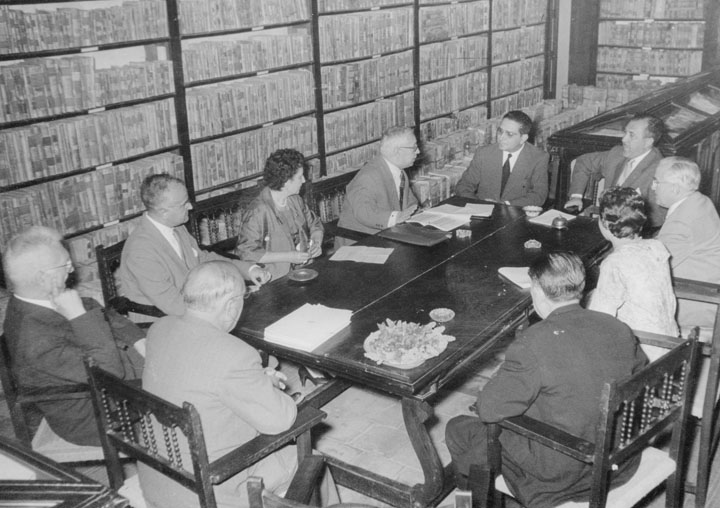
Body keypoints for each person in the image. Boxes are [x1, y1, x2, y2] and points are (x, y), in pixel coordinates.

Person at [445, 252, 647, 507]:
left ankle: (470, 503)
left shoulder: (533, 342)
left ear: (538, 290)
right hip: (620, 460)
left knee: (460, 430)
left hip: (563, 475)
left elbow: (488, 409)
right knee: (482, 446)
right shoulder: (617, 327)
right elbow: (637, 379)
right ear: (580, 287)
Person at [138, 260, 299, 508]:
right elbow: (281, 420)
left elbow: (199, 376)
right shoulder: (235, 354)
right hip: (209, 491)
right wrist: (270, 389)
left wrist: (255, 381)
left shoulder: (159, 328)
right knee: (308, 458)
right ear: (231, 305)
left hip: (158, 480)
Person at [3, 226, 144, 446]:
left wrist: (138, 339)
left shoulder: (40, 296)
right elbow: (108, 373)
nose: (71, 270)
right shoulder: (33, 340)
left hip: (123, 374)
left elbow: (99, 310)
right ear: (43, 277)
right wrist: (78, 315)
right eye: (65, 265)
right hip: (98, 413)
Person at [118, 174, 271, 317]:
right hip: (163, 321)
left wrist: (249, 269)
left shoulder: (176, 227)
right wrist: (221, 308)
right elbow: (172, 304)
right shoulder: (140, 251)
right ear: (163, 211)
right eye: (184, 204)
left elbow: (204, 259)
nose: (190, 207)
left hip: (194, 307)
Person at [587, 187, 678, 360]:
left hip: (644, 350)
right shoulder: (656, 246)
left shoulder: (614, 263)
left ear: (605, 224)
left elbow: (600, 319)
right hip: (671, 342)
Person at [654, 156, 720, 332]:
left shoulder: (682, 221)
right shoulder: (700, 201)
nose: (653, 187)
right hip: (707, 291)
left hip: (697, 303)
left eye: (656, 181)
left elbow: (652, 266)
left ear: (675, 188)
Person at [234, 149, 324, 279]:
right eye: (300, 177)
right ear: (286, 182)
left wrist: (316, 242)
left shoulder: (295, 200)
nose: (304, 180)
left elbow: (315, 224)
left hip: (304, 270)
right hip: (274, 278)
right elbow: (246, 252)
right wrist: (289, 256)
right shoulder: (258, 212)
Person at [563, 113, 666, 227]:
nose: (623, 139)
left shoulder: (660, 171)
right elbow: (584, 161)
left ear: (648, 142)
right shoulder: (617, 153)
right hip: (604, 226)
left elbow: (657, 220)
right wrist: (576, 197)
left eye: (631, 135)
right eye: (625, 133)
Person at [454, 110, 548, 206]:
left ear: (523, 138)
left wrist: (505, 204)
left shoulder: (538, 158)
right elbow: (463, 186)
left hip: (515, 212)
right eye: (500, 131)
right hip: (482, 211)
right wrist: (480, 204)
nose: (501, 137)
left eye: (509, 134)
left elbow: (538, 195)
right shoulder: (484, 153)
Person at [337, 126, 419, 235]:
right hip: (362, 240)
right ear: (397, 151)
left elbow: (410, 203)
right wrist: (396, 218)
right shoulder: (368, 177)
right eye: (414, 147)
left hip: (389, 233)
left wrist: (418, 212)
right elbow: (364, 213)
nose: (418, 151)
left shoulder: (399, 170)